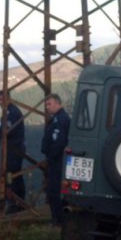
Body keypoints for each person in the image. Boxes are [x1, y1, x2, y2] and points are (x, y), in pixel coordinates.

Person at [0, 90, 26, 214]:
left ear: (8, 98)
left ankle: (16, 204)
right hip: (12, 149)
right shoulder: (8, 112)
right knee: (15, 176)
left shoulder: (12, 112)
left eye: (2, 99)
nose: (0, 102)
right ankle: (19, 203)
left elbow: (9, 131)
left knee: (12, 177)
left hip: (14, 150)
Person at [41, 93, 70, 226]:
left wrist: (51, 156)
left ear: (58, 104)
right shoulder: (56, 119)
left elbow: (59, 141)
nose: (47, 107)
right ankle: (58, 220)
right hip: (56, 161)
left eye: (50, 104)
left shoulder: (61, 119)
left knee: (55, 192)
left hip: (58, 162)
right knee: (54, 191)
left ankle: (58, 221)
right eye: (46, 104)